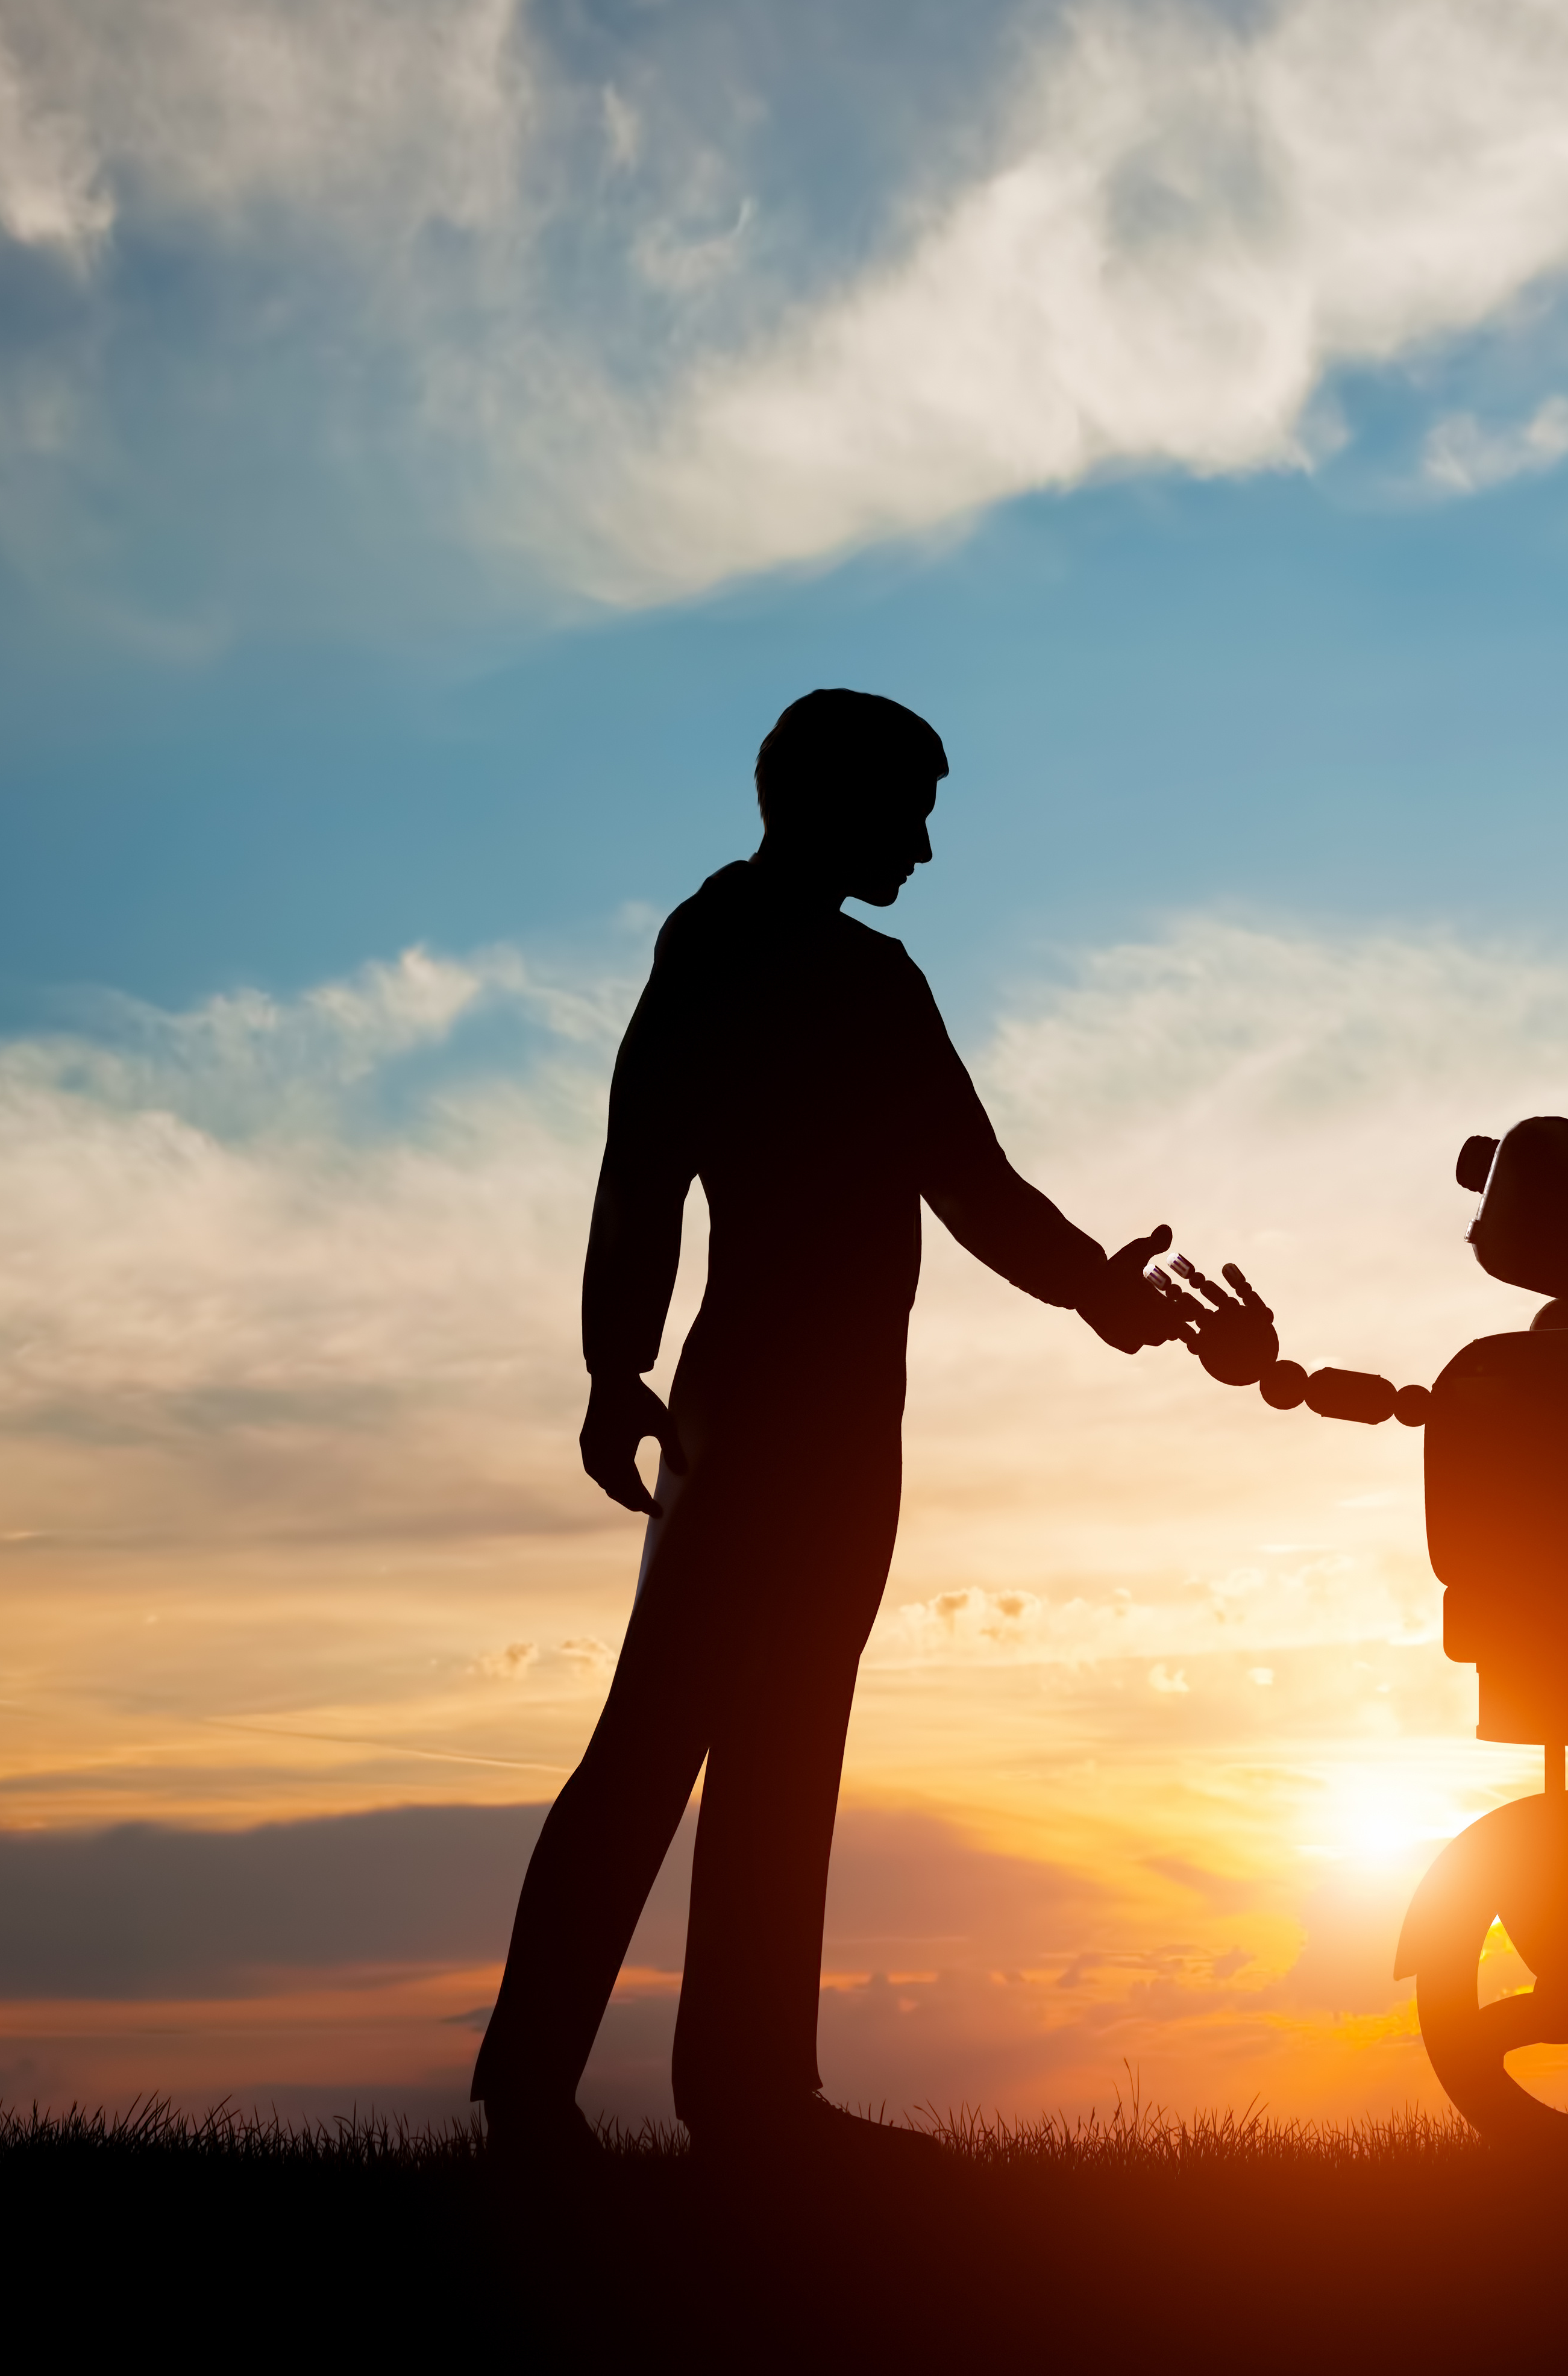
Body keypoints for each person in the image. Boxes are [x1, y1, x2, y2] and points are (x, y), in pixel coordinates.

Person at [471, 689, 1192, 2175]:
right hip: (759, 1415)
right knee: (658, 1741)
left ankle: (743, 2095)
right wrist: (614, 1366)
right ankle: (546, 2093)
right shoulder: (735, 948)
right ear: (821, 801)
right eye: (907, 812)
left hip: (839, 1418)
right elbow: (646, 1166)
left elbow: (967, 1182)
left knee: (785, 1746)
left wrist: (1108, 1299)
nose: (926, 847)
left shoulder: (863, 977)